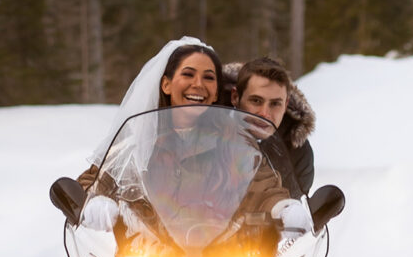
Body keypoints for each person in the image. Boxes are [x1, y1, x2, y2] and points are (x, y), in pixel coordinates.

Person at [78, 37, 309, 232]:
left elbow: (264, 187)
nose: (198, 84)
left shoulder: (233, 143)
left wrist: (284, 208)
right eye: (188, 74)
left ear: (217, 90)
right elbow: (92, 182)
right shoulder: (138, 144)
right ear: (166, 84)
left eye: (208, 77)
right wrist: (94, 202)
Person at [223, 58, 316, 197]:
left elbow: (296, 206)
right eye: (256, 101)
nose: (264, 114)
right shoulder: (210, 133)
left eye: (275, 104)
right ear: (236, 97)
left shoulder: (297, 152)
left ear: (286, 105)